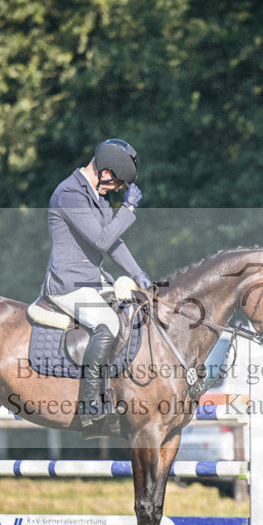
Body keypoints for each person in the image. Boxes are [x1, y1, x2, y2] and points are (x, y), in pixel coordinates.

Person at [42, 139, 153, 431]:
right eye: (118, 184)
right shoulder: (69, 193)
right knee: (108, 324)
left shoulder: (98, 195)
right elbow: (102, 240)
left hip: (93, 280)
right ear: (105, 172)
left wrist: (139, 273)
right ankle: (90, 406)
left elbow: (112, 242)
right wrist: (127, 209)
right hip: (67, 284)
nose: (118, 190)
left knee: (130, 314)